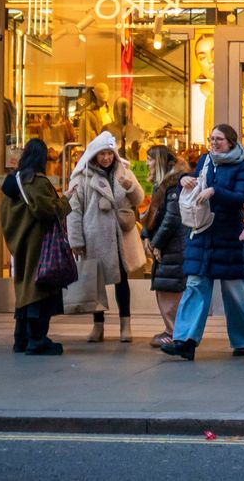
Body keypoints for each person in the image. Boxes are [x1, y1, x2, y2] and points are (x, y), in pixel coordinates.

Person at [162, 124, 244, 361]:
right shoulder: (205, 160)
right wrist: (184, 180)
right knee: (195, 285)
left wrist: (216, 192)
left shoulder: (242, 167)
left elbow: (242, 199)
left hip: (229, 236)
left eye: (219, 139)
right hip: (202, 233)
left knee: (234, 291)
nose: (214, 143)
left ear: (231, 142)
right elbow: (194, 182)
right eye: (211, 138)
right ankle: (184, 340)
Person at [66, 131, 145, 343]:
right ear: (93, 155)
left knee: (122, 281)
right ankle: (97, 326)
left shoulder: (124, 171)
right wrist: (76, 240)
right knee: (95, 283)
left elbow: (139, 198)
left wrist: (129, 185)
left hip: (119, 236)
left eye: (109, 153)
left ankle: (125, 325)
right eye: (102, 154)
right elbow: (74, 210)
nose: (106, 158)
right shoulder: (82, 178)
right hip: (94, 236)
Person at [0, 138, 70, 356]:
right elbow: (48, 210)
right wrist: (66, 200)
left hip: (21, 244)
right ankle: (37, 338)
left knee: (23, 288)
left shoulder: (13, 182)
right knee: (39, 289)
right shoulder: (36, 182)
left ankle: (20, 338)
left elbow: (6, 214)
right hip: (39, 245)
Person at [140, 145, 190, 348]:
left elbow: (171, 218)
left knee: (170, 287)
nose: (147, 163)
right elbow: (152, 215)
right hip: (168, 243)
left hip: (174, 245)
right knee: (165, 286)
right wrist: (146, 236)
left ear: (159, 161)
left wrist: (156, 242)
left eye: (150, 159)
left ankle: (174, 332)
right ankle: (172, 330)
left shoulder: (172, 185)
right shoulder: (162, 184)